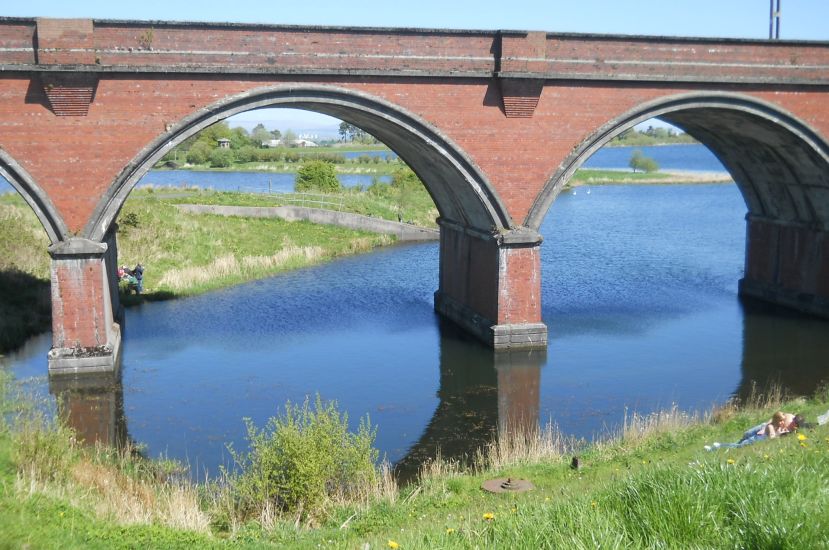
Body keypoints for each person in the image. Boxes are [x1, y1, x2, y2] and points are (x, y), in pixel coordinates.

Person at [705, 411, 802, 450]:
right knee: (738, 446)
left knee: (737, 445)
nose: (783, 422)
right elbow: (772, 436)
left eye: (783, 421)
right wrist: (780, 435)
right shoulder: (771, 426)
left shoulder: (778, 425)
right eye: (781, 421)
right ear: (777, 420)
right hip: (755, 439)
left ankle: (717, 446)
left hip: (756, 439)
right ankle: (718, 446)